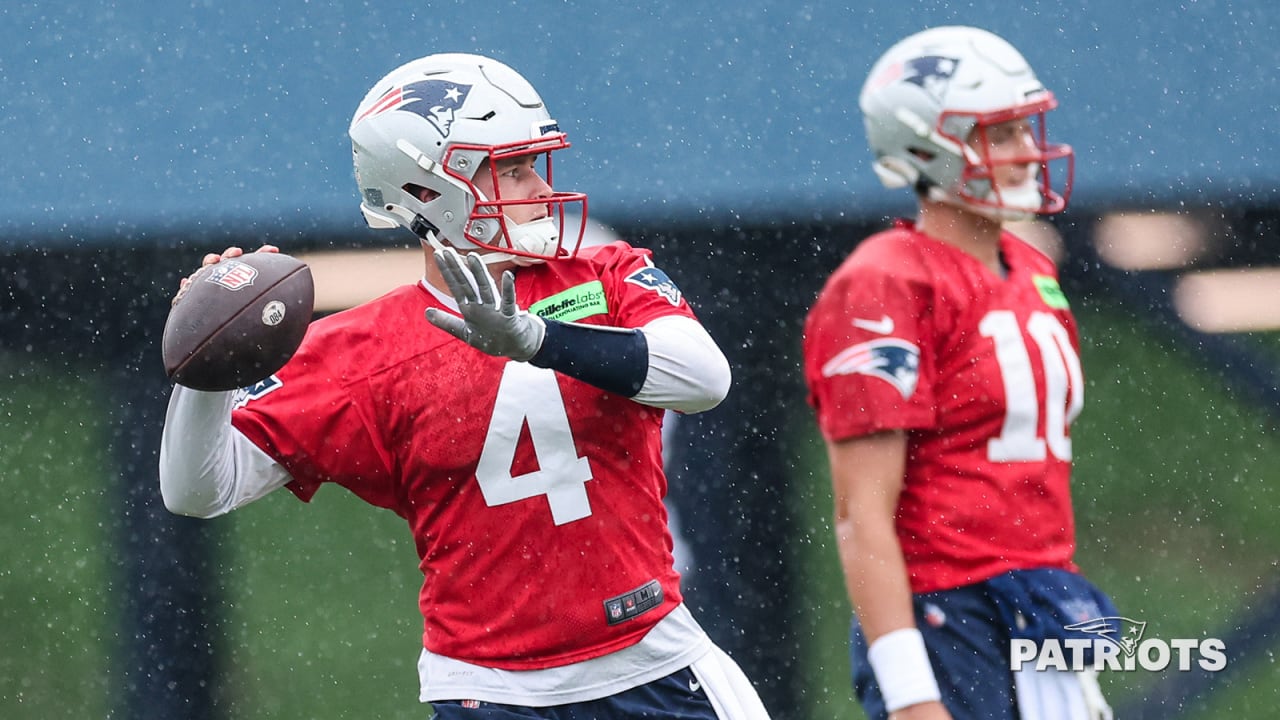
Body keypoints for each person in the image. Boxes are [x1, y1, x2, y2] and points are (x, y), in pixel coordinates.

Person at [159, 52, 770, 719]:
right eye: (512, 168)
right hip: (488, 692)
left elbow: (706, 378)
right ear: (426, 193)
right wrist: (208, 367)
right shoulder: (363, 352)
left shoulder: (604, 274)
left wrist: (538, 341)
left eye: (533, 164)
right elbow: (198, 489)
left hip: (652, 659)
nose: (538, 186)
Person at [802, 27, 1117, 720]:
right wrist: (913, 693)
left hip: (1042, 602)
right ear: (924, 148)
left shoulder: (1032, 269)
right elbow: (862, 518)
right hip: (949, 614)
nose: (1026, 152)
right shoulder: (884, 283)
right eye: (997, 135)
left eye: (1024, 129)